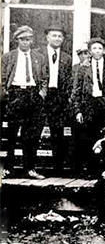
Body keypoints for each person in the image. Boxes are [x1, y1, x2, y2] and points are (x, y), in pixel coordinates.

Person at [1, 25, 47, 179]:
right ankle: (8, 169)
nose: (26, 42)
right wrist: (6, 95)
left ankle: (30, 169)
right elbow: (2, 79)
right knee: (12, 134)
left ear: (32, 40)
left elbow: (44, 78)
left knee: (31, 135)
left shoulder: (39, 57)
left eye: (28, 39)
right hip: (15, 94)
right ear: (17, 41)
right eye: (22, 39)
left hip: (33, 95)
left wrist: (42, 93)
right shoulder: (8, 57)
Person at [71, 37, 105, 175]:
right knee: (88, 138)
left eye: (100, 48)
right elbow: (76, 90)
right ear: (90, 51)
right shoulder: (83, 68)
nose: (97, 51)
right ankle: (89, 169)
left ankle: (102, 169)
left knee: (103, 137)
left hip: (104, 104)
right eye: (94, 48)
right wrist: (78, 110)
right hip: (88, 105)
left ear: (104, 51)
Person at [36, 24, 73, 175]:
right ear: (47, 37)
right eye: (54, 35)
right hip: (41, 95)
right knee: (36, 129)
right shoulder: (38, 54)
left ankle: (57, 168)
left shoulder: (66, 58)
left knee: (57, 132)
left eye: (60, 36)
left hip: (59, 97)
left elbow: (69, 80)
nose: (57, 39)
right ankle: (34, 167)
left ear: (63, 39)